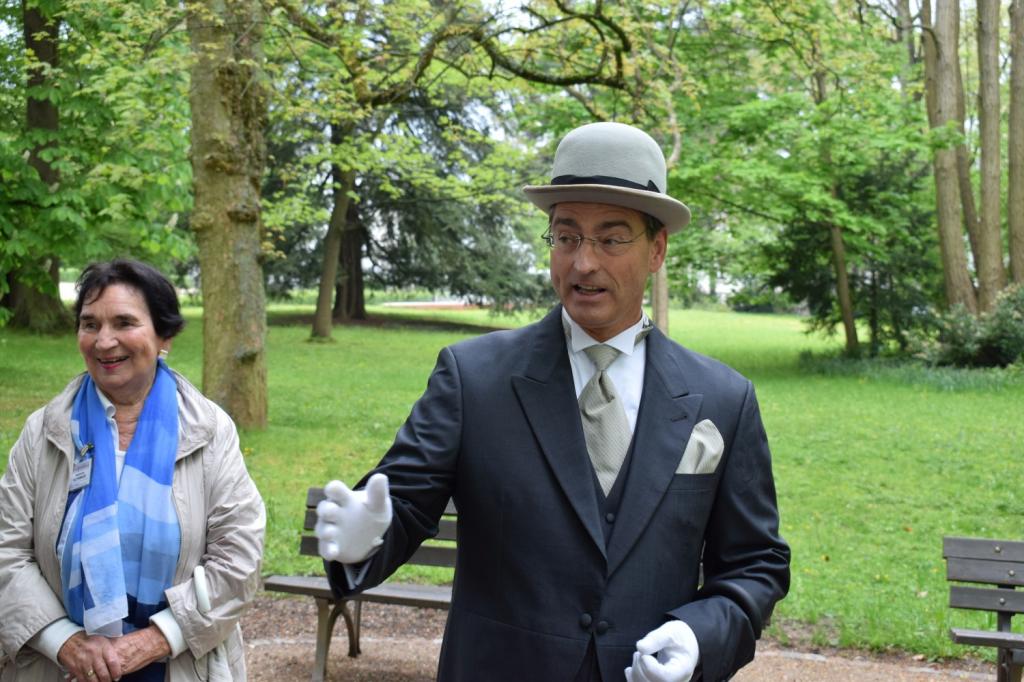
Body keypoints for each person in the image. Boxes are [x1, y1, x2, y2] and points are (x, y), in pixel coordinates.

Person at [315, 122, 790, 681]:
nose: (583, 263)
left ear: (657, 249)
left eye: (611, 240)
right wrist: (363, 540)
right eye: (566, 237)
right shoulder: (473, 378)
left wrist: (699, 636)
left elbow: (755, 564)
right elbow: (403, 504)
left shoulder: (724, 399)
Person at [0, 260, 265, 682]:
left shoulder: (209, 432)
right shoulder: (44, 431)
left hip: (177, 667)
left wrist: (154, 640)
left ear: (164, 336)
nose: (104, 341)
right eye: (90, 324)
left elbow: (239, 560)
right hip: (57, 669)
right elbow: (7, 551)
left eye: (124, 323)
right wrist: (66, 642)